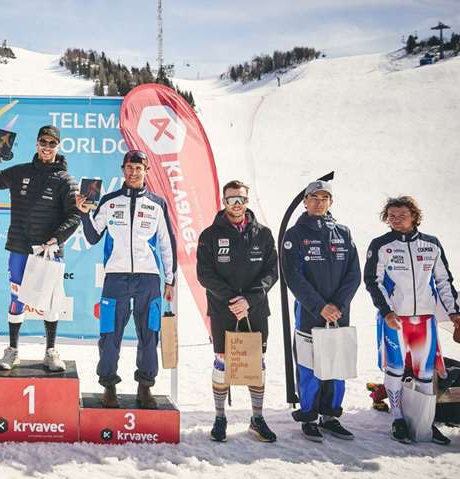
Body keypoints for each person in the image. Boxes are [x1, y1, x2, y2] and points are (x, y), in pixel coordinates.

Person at [76, 150, 176, 409]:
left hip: (148, 278)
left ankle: (145, 387)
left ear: (146, 171)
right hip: (116, 278)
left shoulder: (157, 204)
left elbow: (167, 243)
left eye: (138, 168)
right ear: (123, 169)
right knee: (110, 333)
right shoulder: (109, 201)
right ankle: (109, 386)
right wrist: (83, 214)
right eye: (129, 167)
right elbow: (92, 237)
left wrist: (170, 279)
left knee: (149, 334)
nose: (133, 172)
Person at [0, 125, 80, 371]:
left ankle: (51, 351)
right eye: (43, 142)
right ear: (36, 144)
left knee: (51, 301)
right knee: (17, 298)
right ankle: (12, 350)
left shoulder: (66, 180)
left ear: (58, 146)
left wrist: (57, 238)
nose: (47, 147)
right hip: (19, 248)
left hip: (48, 251)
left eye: (52, 143)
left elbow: (75, 214)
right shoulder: (20, 171)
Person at [364, 196, 460, 445]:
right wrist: (387, 311)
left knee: (425, 373)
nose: (396, 220)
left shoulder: (431, 244)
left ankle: (424, 422)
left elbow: (444, 281)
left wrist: (454, 313)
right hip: (395, 319)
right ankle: (398, 419)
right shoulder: (381, 245)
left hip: (424, 320)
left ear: (414, 216)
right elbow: (372, 281)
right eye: (391, 216)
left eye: (401, 215)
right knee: (395, 368)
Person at [196, 180, 278, 442]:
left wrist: (249, 300)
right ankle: (220, 417)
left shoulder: (263, 234)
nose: (236, 204)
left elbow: (272, 272)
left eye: (240, 199)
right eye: (231, 199)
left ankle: (257, 418)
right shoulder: (209, 235)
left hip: (255, 310)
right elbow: (205, 274)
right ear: (224, 202)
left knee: (255, 362)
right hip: (223, 310)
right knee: (222, 363)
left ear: (247, 201)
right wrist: (234, 300)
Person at [281, 180, 361, 442]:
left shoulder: (343, 233)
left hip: (339, 314)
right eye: (314, 198)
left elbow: (354, 274)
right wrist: (320, 306)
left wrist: (338, 305)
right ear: (305, 202)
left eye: (324, 198)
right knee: (310, 366)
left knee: (337, 365)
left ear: (331, 202)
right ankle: (309, 417)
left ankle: (330, 416)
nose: (319, 202)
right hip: (310, 313)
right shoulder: (294, 235)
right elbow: (293, 276)